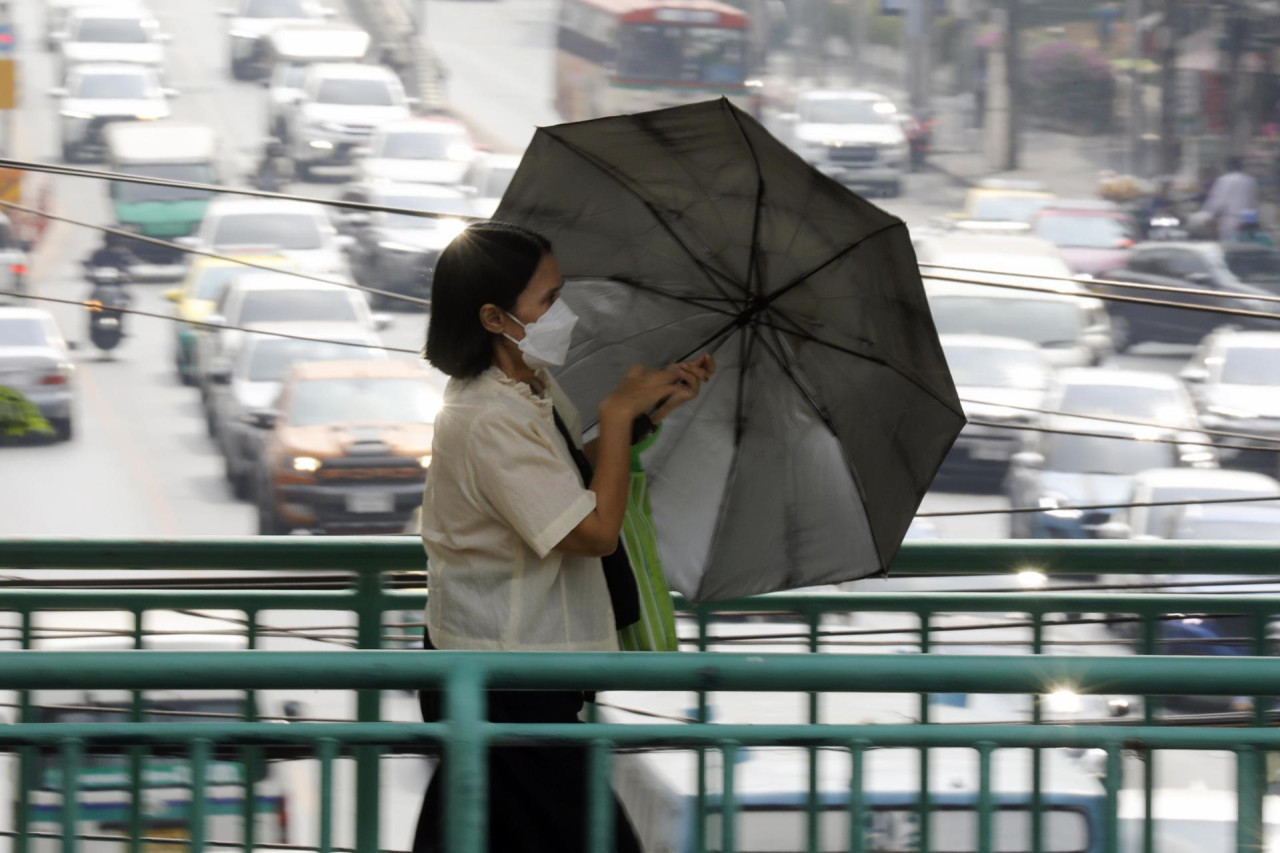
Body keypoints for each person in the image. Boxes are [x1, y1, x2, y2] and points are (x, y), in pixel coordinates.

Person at [414, 221, 713, 853]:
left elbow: (570, 478)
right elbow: (594, 530)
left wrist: (647, 411)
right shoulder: (486, 416)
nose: (564, 312)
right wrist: (616, 410)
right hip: (503, 676)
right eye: (547, 300)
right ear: (495, 317)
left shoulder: (529, 389)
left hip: (521, 672)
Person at [1201, 156, 1259, 242]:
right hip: (1246, 220)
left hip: (1229, 220)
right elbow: (1252, 203)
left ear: (1228, 166)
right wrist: (1248, 222)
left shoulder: (1224, 180)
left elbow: (1218, 201)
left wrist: (1209, 217)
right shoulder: (1250, 181)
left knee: (1229, 247)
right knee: (1245, 246)